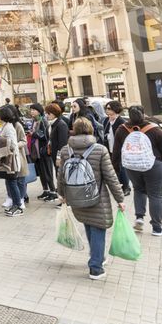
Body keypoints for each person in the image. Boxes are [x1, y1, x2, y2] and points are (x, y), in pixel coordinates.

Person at [57, 118, 126, 280]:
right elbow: (111, 177)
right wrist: (120, 199)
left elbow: (61, 175)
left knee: (89, 224)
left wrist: (62, 194)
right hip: (97, 198)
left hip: (75, 196)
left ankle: (98, 257)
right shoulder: (100, 150)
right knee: (98, 228)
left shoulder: (66, 150)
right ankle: (96, 267)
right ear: (90, 130)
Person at [113, 105, 162, 236]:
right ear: (143, 114)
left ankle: (139, 217)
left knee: (138, 189)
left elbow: (116, 152)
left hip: (132, 167)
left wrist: (115, 168)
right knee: (155, 195)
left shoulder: (122, 130)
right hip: (154, 166)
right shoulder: (154, 130)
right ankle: (157, 228)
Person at [0, 105, 23, 217]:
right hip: (9, 160)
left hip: (11, 160)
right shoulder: (5, 126)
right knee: (10, 183)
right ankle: (15, 205)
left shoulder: (9, 128)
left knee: (12, 183)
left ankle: (18, 206)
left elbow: (13, 145)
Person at [29, 103, 57, 201]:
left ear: (39, 111)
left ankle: (53, 192)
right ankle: (46, 190)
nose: (32, 111)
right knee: (41, 172)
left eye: (34, 110)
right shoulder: (34, 121)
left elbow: (45, 137)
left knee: (47, 171)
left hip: (44, 150)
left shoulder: (43, 121)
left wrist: (34, 134)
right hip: (36, 151)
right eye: (31, 110)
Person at [102, 100, 130, 196]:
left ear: (115, 109)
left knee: (122, 168)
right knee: (114, 168)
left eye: (109, 109)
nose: (107, 111)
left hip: (120, 149)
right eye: (106, 109)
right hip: (110, 148)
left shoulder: (121, 122)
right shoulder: (106, 120)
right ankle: (118, 186)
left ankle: (126, 187)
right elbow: (105, 133)